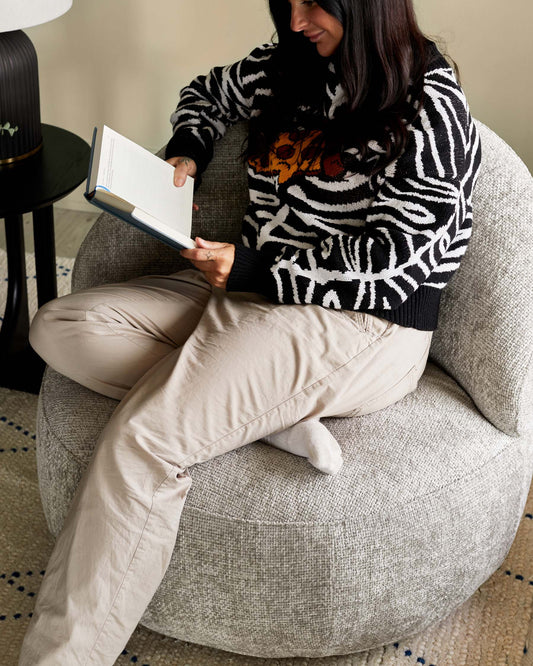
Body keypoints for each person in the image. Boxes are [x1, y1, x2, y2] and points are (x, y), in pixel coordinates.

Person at [19, 0, 481, 663]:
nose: (295, 21)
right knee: (63, 325)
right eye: (285, 2)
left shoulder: (428, 102)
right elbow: (206, 94)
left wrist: (256, 269)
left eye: (313, 4)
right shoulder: (286, 64)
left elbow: (400, 263)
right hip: (251, 293)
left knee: (144, 441)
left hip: (359, 322)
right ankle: (265, 414)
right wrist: (186, 148)